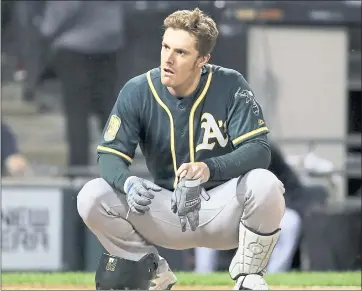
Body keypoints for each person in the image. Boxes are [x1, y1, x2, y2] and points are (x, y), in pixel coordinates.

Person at [77, 8, 285, 290]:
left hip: (221, 210)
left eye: (181, 52)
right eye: (165, 47)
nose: (168, 59)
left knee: (266, 184)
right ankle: (153, 273)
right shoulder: (138, 90)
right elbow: (110, 155)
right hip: (166, 210)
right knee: (91, 196)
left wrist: (208, 168)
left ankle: (249, 276)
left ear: (203, 59)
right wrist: (127, 182)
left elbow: (259, 149)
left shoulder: (229, 84)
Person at [39, 1, 127, 170]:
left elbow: (65, 8)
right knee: (109, 111)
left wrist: (47, 28)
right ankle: (118, 164)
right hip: (109, 42)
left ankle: (78, 168)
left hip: (75, 46)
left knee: (77, 113)